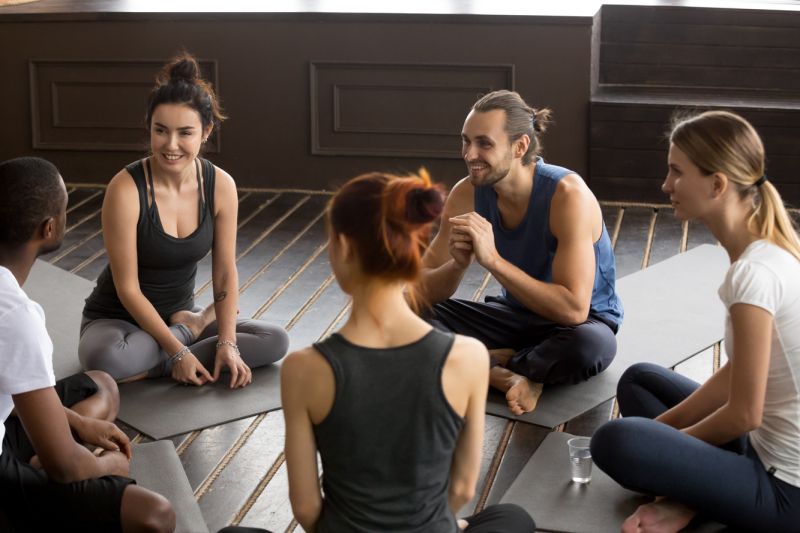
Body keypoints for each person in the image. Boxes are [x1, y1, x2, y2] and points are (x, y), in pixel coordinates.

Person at [278, 170, 535, 532]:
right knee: (512, 518)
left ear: (344, 248)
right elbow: (462, 488)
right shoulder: (470, 356)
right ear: (416, 249)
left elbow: (306, 509)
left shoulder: (303, 368)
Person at [590, 111, 800, 532]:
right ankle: (694, 490)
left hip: (784, 490)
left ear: (717, 184)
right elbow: (739, 371)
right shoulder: (767, 252)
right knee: (639, 381)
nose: (666, 185)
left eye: (676, 172)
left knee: (614, 441)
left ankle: (692, 499)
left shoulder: (753, 275)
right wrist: (660, 437)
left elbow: (744, 415)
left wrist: (667, 448)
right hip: (757, 450)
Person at [79, 53, 288, 387]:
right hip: (118, 321)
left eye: (185, 133)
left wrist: (228, 343)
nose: (171, 145)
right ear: (148, 127)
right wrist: (178, 350)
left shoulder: (220, 185)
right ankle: (188, 335)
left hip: (176, 310)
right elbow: (128, 289)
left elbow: (224, 272)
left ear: (206, 131)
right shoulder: (125, 188)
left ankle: (173, 351)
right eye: (160, 131)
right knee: (104, 359)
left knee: (275, 340)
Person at [420, 90, 623, 415]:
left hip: (578, 326)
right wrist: (457, 266)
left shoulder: (568, 196)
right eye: (465, 141)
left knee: (590, 347)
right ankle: (503, 374)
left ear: (520, 146)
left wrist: (494, 261)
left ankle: (491, 362)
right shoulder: (466, 194)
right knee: (404, 314)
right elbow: (418, 292)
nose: (470, 154)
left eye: (484, 143)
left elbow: (573, 310)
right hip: (515, 315)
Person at [0, 156, 175, 532]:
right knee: (156, 516)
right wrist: (107, 465)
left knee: (102, 384)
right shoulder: (15, 316)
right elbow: (66, 468)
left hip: (8, 426)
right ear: (48, 228)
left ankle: (40, 464)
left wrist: (77, 421)